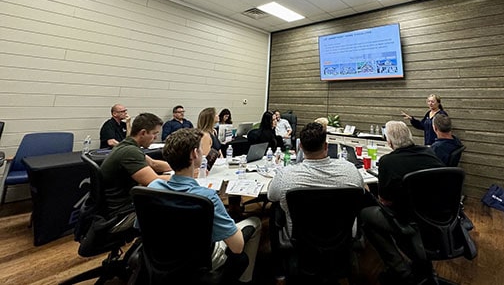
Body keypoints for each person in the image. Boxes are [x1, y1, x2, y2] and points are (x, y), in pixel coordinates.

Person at [148, 128, 261, 283]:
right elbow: (237, 247)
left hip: (159, 259)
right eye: (201, 148)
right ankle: (245, 280)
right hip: (197, 263)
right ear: (194, 154)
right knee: (255, 222)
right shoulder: (206, 197)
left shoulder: (152, 188)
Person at [267, 122, 364, 281]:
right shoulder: (350, 170)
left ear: (301, 148)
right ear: (326, 146)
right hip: (342, 237)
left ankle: (279, 269)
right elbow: (362, 190)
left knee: (275, 209)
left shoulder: (286, 175)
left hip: (300, 239)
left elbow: (271, 196)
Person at [360, 120, 444, 285]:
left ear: (389, 142)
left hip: (406, 218)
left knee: (365, 215)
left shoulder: (387, 161)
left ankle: (400, 269)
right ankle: (417, 261)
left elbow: (385, 201)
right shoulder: (430, 153)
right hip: (437, 216)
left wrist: (370, 193)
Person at [100, 113, 172, 217]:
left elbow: (153, 164)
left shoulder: (127, 145)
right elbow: (154, 181)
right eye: (154, 133)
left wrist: (180, 167)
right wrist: (183, 176)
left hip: (117, 204)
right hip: (121, 212)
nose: (156, 138)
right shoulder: (130, 151)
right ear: (143, 133)